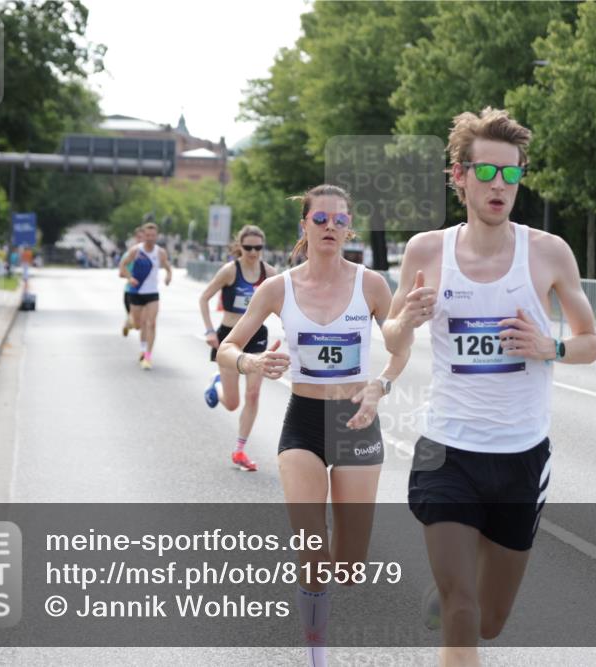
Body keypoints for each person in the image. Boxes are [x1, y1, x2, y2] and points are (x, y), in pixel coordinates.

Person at [383, 107, 596, 667]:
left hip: (520, 456)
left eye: (511, 173)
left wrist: (549, 348)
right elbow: (392, 336)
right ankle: (452, 594)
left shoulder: (548, 252)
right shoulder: (426, 251)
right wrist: (405, 319)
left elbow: (590, 343)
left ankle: (453, 594)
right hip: (446, 451)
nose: (499, 185)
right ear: (460, 176)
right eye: (486, 172)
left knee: (490, 620)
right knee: (462, 609)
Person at [216, 184, 408, 667]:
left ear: (349, 228)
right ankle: (316, 652)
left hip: (356, 422)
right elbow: (227, 348)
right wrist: (251, 362)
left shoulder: (371, 286)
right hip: (303, 422)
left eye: (339, 220)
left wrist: (381, 385)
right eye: (320, 219)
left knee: (349, 568)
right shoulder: (278, 288)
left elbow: (400, 348)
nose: (329, 227)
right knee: (312, 550)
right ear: (304, 225)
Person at [199, 224, 278, 472]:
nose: (253, 252)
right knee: (232, 403)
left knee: (253, 394)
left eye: (258, 247)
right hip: (230, 338)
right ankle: (217, 385)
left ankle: (240, 450)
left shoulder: (269, 273)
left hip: (257, 338)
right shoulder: (230, 271)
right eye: (248, 247)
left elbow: (285, 303)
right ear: (239, 247)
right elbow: (204, 297)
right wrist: (209, 331)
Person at [119, 222, 172, 370]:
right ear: (144, 236)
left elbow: (168, 267)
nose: (150, 238)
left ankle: (147, 356)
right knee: (138, 325)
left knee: (151, 324)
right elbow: (122, 265)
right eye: (147, 235)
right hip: (136, 292)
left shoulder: (160, 252)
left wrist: (168, 276)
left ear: (156, 236)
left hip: (152, 293)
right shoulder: (136, 250)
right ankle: (141, 345)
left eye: (153, 235)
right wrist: (130, 278)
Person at [118, 228, 145, 337]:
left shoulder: (151, 253)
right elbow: (121, 273)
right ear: (135, 238)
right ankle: (128, 323)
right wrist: (131, 278)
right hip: (131, 291)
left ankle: (146, 347)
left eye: (143, 237)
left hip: (146, 291)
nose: (141, 239)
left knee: (144, 321)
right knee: (136, 322)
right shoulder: (129, 254)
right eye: (139, 237)